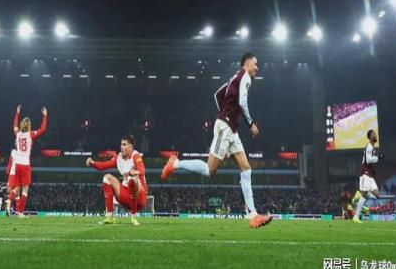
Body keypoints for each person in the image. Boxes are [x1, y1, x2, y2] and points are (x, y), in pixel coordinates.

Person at [161, 52, 272, 229]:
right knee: (209, 170)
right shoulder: (245, 77)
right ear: (247, 64)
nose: (257, 68)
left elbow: (217, 95)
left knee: (246, 168)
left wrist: (225, 114)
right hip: (226, 128)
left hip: (231, 129)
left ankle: (252, 215)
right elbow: (242, 102)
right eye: (255, 64)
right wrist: (250, 123)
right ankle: (175, 164)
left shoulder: (234, 77)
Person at [86, 134, 147, 226]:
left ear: (131, 147)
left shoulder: (136, 156)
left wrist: (135, 172)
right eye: (121, 144)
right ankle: (110, 217)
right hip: (126, 198)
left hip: (140, 198)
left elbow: (142, 170)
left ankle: (133, 217)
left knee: (133, 180)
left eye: (124, 144)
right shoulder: (119, 157)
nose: (121, 147)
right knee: (107, 177)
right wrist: (92, 163)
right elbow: (103, 166)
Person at [8, 104, 47, 218]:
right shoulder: (30, 135)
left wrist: (17, 113)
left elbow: (14, 125)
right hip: (25, 165)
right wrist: (45, 116)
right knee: (25, 189)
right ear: (29, 125)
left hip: (17, 165)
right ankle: (20, 213)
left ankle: (9, 199)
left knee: (17, 188)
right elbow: (43, 129)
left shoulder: (18, 134)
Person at [353, 129, 384, 224]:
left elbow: (369, 161)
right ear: (370, 137)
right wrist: (378, 157)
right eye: (374, 134)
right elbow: (368, 160)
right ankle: (356, 217)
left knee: (377, 195)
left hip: (370, 174)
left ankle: (360, 195)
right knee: (364, 195)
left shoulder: (372, 148)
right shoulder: (369, 146)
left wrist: (373, 169)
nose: (376, 135)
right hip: (365, 173)